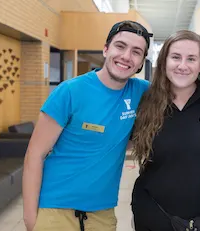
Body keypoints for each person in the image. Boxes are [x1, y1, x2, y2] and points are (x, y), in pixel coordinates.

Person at [22, 20, 154, 231]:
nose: (126, 56)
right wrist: (30, 219)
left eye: (136, 52)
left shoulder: (143, 91)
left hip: (102, 214)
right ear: (105, 49)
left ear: (141, 63)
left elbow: (179, 88)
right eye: (120, 46)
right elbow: (34, 154)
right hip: (56, 211)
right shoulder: (70, 92)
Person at [130, 30, 200, 231]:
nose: (182, 65)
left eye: (191, 59)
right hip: (154, 216)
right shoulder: (145, 100)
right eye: (175, 57)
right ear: (164, 61)